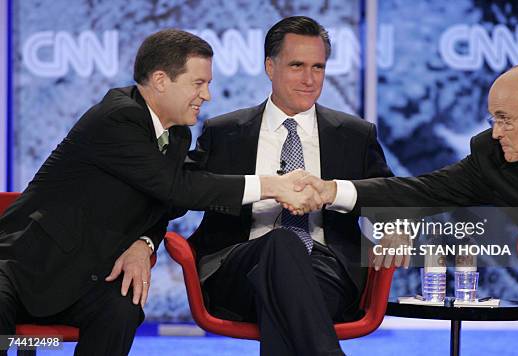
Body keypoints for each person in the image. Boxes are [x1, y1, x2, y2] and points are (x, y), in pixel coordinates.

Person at [0, 29, 319, 356]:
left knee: (122, 309)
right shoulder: (117, 118)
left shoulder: (176, 133)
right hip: (22, 267)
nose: (207, 95)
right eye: (199, 83)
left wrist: (144, 241)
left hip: (89, 275)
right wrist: (271, 186)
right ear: (161, 80)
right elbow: (177, 189)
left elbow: (163, 199)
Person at [298, 62, 518, 356]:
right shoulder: (494, 157)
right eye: (493, 120)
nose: (497, 131)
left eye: (505, 119)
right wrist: (332, 190)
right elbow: (422, 192)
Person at [186, 16, 393, 356]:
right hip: (238, 268)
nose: (310, 79)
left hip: (326, 269)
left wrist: (395, 226)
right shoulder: (225, 132)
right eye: (297, 65)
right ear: (270, 66)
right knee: (281, 243)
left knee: (287, 297)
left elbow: (389, 197)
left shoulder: (354, 135)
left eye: (318, 67)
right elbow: (185, 187)